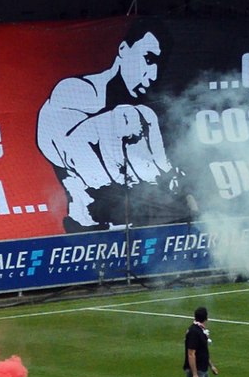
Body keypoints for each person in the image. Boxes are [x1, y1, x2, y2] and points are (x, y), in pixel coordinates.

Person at [36, 27, 184, 232]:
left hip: (137, 227)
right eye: (148, 59)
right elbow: (68, 149)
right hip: (91, 229)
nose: (153, 75)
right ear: (123, 49)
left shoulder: (148, 112)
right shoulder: (77, 92)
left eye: (160, 65)